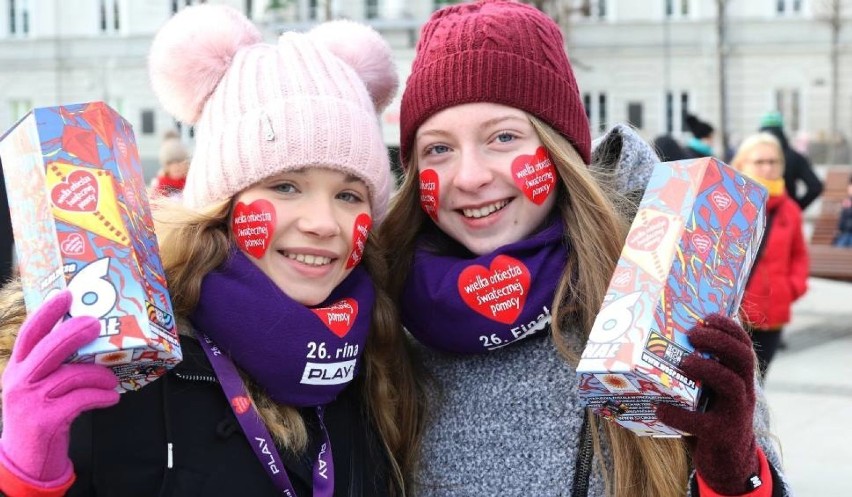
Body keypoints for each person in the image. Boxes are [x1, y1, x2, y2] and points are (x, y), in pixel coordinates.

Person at [0, 5, 421, 496]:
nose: (324, 224)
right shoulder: (121, 355)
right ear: (221, 204)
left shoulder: (381, 352)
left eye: (349, 195)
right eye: (285, 186)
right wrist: (26, 474)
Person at [382, 1, 790, 496]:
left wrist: (734, 473)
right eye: (438, 149)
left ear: (560, 151)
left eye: (504, 137)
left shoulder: (666, 287)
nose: (469, 177)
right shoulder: (384, 309)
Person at [730, 132, 809, 379]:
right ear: (741, 164)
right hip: (734, 317)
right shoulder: (730, 203)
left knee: (758, 386)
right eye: (759, 161)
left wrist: (790, 288)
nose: (767, 167)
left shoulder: (790, 210)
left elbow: (799, 256)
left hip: (772, 314)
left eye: (773, 162)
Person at [760, 111, 824, 211]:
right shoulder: (794, 157)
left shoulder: (751, 157)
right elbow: (815, 186)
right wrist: (796, 207)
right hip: (786, 215)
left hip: (757, 216)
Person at [149, 130, 190, 199]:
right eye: (172, 162)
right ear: (167, 166)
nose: (178, 166)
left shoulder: (188, 181)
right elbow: (156, 201)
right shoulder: (162, 183)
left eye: (180, 161)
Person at [833, 173, 852, 247]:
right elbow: (842, 220)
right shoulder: (847, 202)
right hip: (845, 233)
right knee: (840, 244)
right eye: (850, 186)